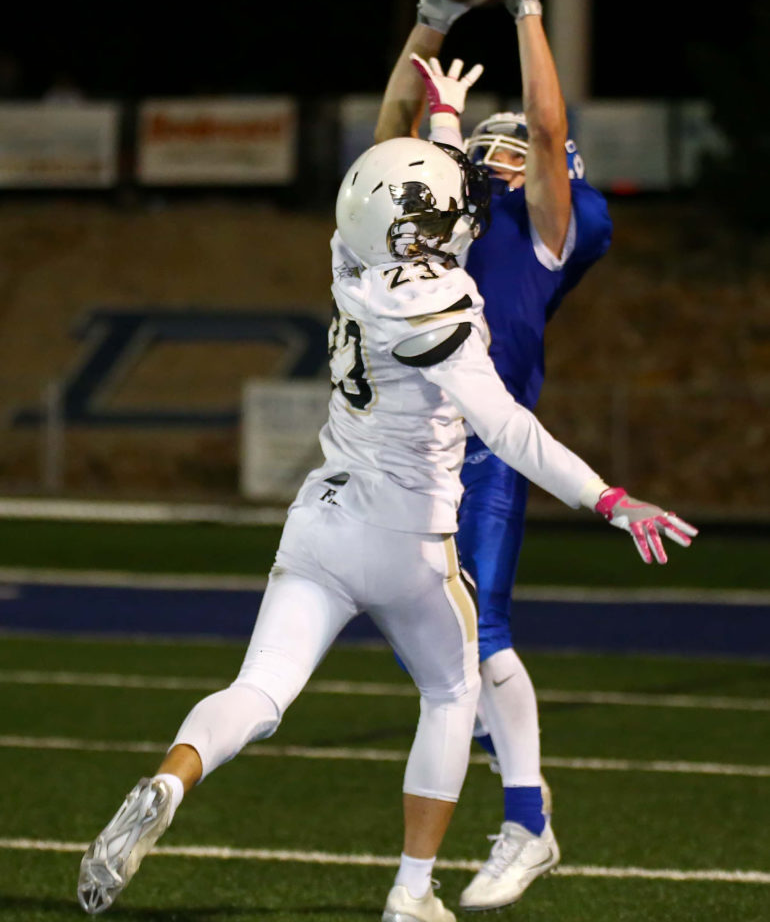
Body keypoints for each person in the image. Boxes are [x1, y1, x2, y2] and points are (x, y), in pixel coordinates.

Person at [77, 138, 695, 922]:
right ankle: (412, 891)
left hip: (321, 521)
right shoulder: (442, 303)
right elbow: (506, 427)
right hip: (407, 542)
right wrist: (608, 498)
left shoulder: (350, 263)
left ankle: (170, 779)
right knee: (451, 690)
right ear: (434, 224)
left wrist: (436, 119)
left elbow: (400, 204)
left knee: (259, 691)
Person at [375, 0, 620, 912]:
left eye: (507, 146)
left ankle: (526, 818)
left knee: (478, 642)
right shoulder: (460, 214)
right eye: (485, 143)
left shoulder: (554, 227)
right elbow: (391, 140)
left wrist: (522, 7)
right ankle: (522, 807)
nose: (490, 152)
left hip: (483, 450)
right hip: (398, 451)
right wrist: (429, 35)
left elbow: (552, 142)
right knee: (440, 652)